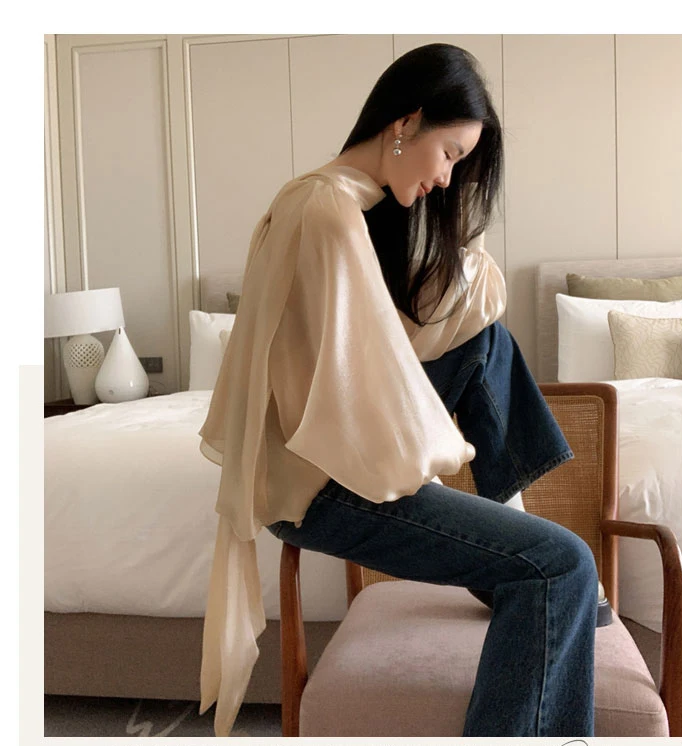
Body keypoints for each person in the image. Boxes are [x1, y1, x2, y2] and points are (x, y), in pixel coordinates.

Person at [197, 43, 598, 738]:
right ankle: (519, 545)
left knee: (486, 343)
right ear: (405, 123)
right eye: (449, 154)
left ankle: (510, 540)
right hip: (322, 485)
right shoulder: (326, 211)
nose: (446, 177)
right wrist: (430, 458)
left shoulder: (339, 202)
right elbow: (365, 379)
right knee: (561, 564)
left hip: (324, 465)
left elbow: (389, 345)